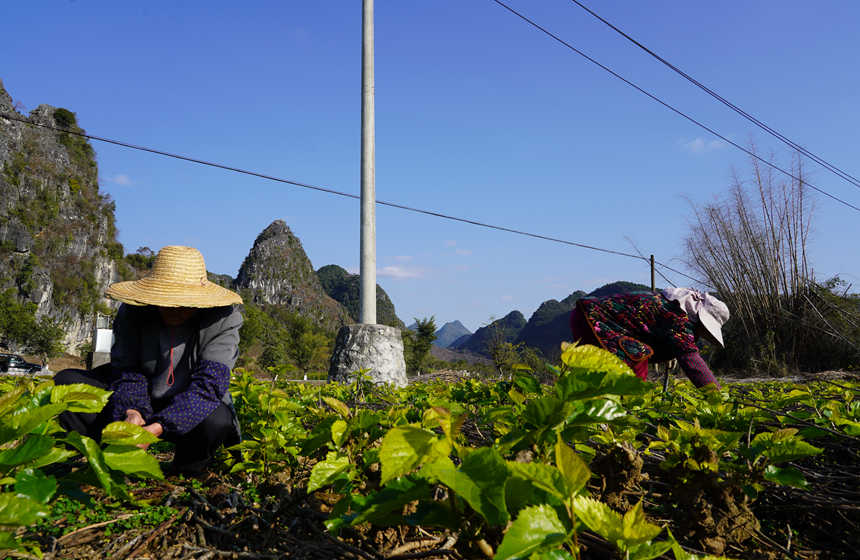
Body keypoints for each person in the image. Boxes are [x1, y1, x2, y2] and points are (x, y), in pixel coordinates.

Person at [54, 245, 244, 475]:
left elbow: (210, 386)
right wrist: (132, 412)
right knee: (67, 384)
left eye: (184, 304)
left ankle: (186, 471)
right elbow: (127, 369)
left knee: (216, 420)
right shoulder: (133, 313)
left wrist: (157, 428)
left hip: (191, 400)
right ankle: (108, 459)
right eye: (168, 302)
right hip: (145, 393)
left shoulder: (224, 319)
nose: (176, 309)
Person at [569, 288, 729, 388]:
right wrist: (716, 396)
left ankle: (604, 415)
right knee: (636, 359)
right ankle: (629, 413)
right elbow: (692, 362)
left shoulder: (673, 307)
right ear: (701, 319)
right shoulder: (679, 317)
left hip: (584, 316)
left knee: (600, 377)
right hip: (594, 320)